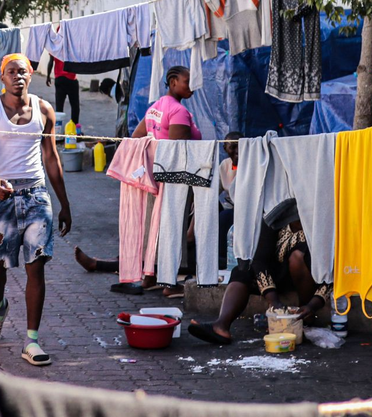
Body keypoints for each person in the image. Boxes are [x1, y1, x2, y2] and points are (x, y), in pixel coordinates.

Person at [0, 53, 72, 366]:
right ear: (2, 78)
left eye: (23, 72)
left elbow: (52, 158)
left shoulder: (44, 110)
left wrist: (64, 204)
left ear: (31, 75)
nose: (17, 77)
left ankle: (31, 340)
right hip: (1, 197)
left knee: (36, 265)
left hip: (36, 196)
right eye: (11, 72)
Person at [74, 66, 200, 296]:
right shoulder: (178, 111)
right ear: (173, 82)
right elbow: (177, 152)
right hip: (173, 182)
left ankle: (149, 279)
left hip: (153, 180)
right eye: (187, 80)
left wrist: (152, 153)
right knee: (171, 230)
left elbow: (137, 138)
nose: (192, 85)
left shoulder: (155, 108)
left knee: (153, 231)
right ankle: (170, 285)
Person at [187, 217, 330, 345]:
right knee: (242, 270)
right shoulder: (275, 216)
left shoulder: (324, 225)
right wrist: (274, 301)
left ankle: (303, 320)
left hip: (308, 280)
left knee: (297, 257)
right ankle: (221, 325)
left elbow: (333, 270)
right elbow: (259, 259)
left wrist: (313, 305)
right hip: (276, 276)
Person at [217, 132, 241, 271]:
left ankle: (223, 258)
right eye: (232, 147)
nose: (236, 150)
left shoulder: (251, 163)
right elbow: (215, 192)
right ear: (225, 149)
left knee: (225, 217)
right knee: (209, 208)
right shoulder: (225, 165)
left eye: (240, 146)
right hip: (230, 207)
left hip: (246, 209)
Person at [48, 57, 81, 131]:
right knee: (75, 106)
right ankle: (75, 129)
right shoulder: (73, 46)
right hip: (71, 79)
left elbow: (51, 62)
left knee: (59, 106)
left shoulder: (55, 46)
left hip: (59, 79)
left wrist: (48, 76)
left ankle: (58, 129)